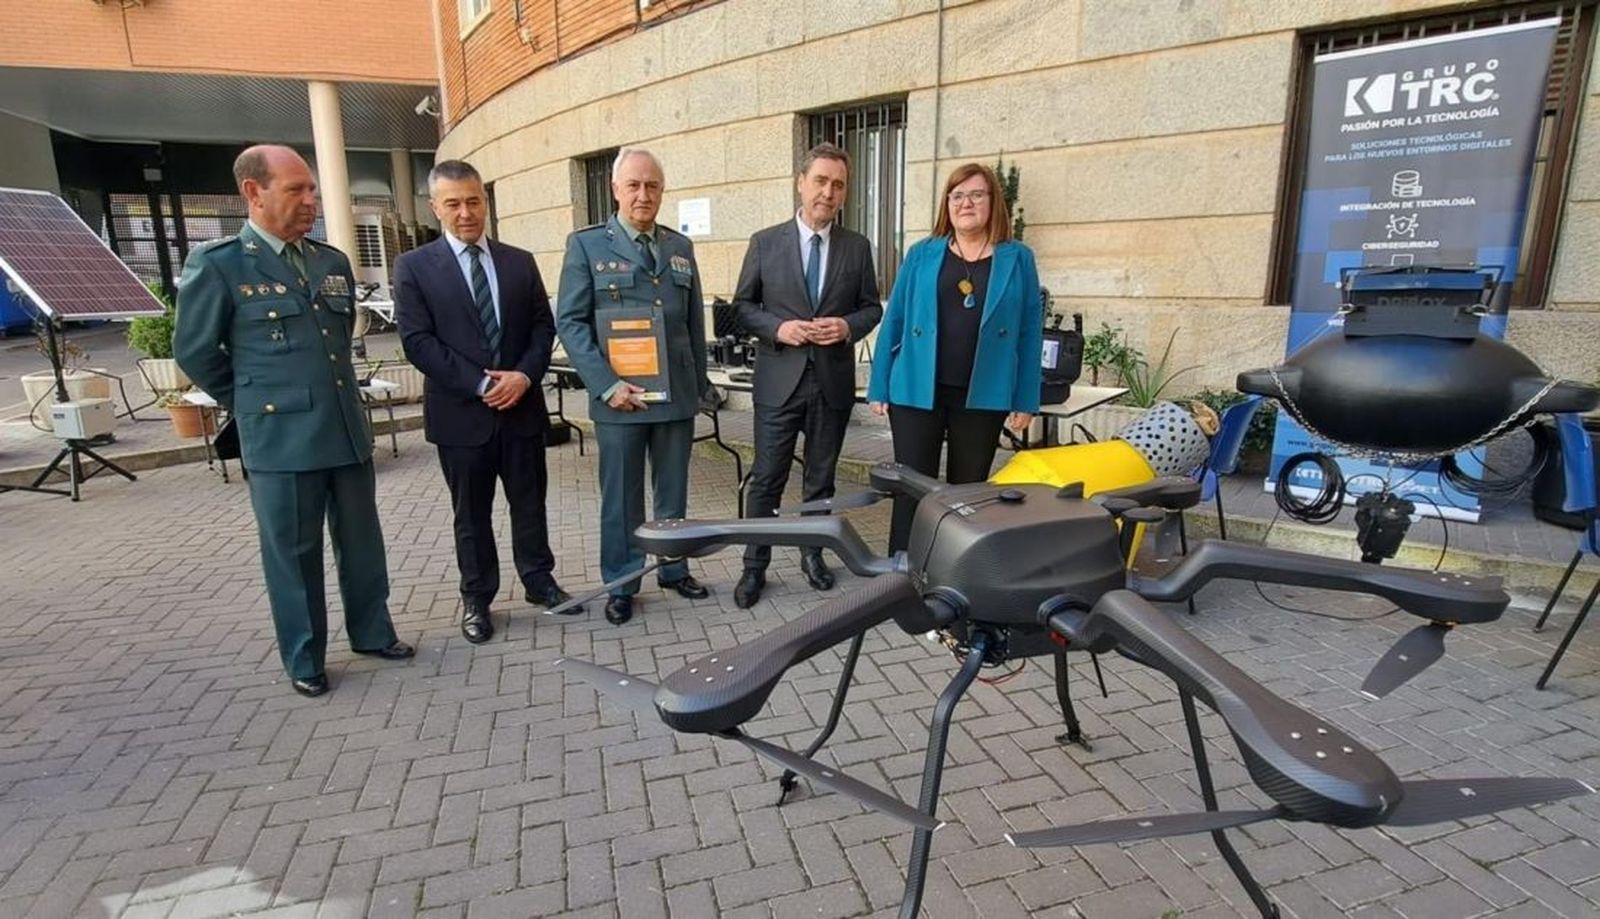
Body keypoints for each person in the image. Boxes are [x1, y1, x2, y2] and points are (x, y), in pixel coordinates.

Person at [174, 145, 413, 697]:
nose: (311, 201)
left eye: (312, 190)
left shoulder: (330, 261)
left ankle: (372, 632)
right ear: (253, 193)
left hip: (344, 427)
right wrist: (254, 399)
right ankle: (305, 657)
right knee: (293, 553)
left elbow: (334, 341)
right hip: (280, 438)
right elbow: (195, 351)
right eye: (296, 190)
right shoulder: (219, 264)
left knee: (361, 543)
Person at [393, 159, 575, 645]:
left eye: (473, 201)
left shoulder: (519, 261)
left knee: (529, 504)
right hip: (462, 417)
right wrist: (479, 384)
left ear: (485, 202)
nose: (466, 212)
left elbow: (542, 325)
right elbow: (417, 341)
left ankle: (540, 582)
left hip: (521, 409)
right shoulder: (413, 267)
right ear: (435, 208)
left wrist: (524, 376)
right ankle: (477, 598)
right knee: (471, 515)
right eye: (453, 204)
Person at [555, 148, 713, 625]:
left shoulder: (679, 247)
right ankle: (622, 581)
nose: (643, 195)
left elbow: (691, 321)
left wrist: (700, 386)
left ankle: (672, 566)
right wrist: (605, 385)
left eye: (652, 186)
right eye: (634, 186)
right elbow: (571, 321)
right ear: (615, 189)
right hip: (620, 398)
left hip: (674, 394)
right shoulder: (587, 245)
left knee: (673, 492)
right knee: (622, 496)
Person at [731, 143, 882, 608]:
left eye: (838, 185)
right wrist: (779, 328)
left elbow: (871, 307)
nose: (828, 193)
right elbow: (741, 309)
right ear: (801, 182)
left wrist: (846, 326)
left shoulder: (857, 247)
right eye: (820, 181)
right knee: (766, 479)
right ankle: (754, 566)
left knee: (821, 480)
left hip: (831, 382)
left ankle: (812, 556)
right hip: (779, 381)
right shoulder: (765, 241)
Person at [866, 162, 1043, 553]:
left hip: (983, 394)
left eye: (977, 194)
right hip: (915, 390)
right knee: (911, 487)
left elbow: (1030, 333)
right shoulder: (922, 253)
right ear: (947, 204)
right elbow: (894, 318)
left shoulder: (1018, 258)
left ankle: (956, 573)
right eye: (957, 195)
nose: (966, 203)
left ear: (993, 202)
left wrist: (1026, 399)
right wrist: (878, 385)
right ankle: (903, 570)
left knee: (968, 494)